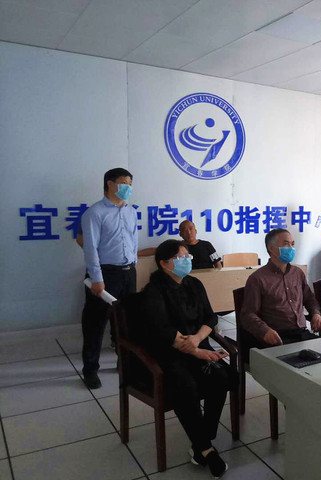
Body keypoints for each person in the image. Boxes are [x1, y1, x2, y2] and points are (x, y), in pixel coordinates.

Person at [139, 240, 230, 478]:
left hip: (198, 344)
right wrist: (198, 352)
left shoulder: (195, 284)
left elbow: (210, 317)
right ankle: (206, 448)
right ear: (164, 263)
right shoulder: (153, 291)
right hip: (169, 353)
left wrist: (198, 340)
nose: (187, 260)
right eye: (180, 257)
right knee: (185, 385)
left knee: (222, 377)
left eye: (187, 256)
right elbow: (163, 331)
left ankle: (201, 439)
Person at [81, 168, 138, 389]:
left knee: (125, 322)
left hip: (128, 273)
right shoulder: (95, 212)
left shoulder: (131, 211)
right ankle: (90, 370)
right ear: (110, 184)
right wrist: (97, 278)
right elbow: (90, 248)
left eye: (130, 184)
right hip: (105, 274)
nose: (128, 188)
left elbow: (133, 242)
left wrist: (134, 267)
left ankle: (124, 363)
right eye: (124, 183)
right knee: (95, 323)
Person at [240, 228, 321, 348]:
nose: (291, 248)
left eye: (292, 244)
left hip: (301, 332)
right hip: (277, 337)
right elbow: (248, 314)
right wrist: (264, 331)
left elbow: (309, 299)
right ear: (271, 248)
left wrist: (316, 314)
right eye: (286, 244)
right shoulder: (257, 278)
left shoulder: (297, 273)